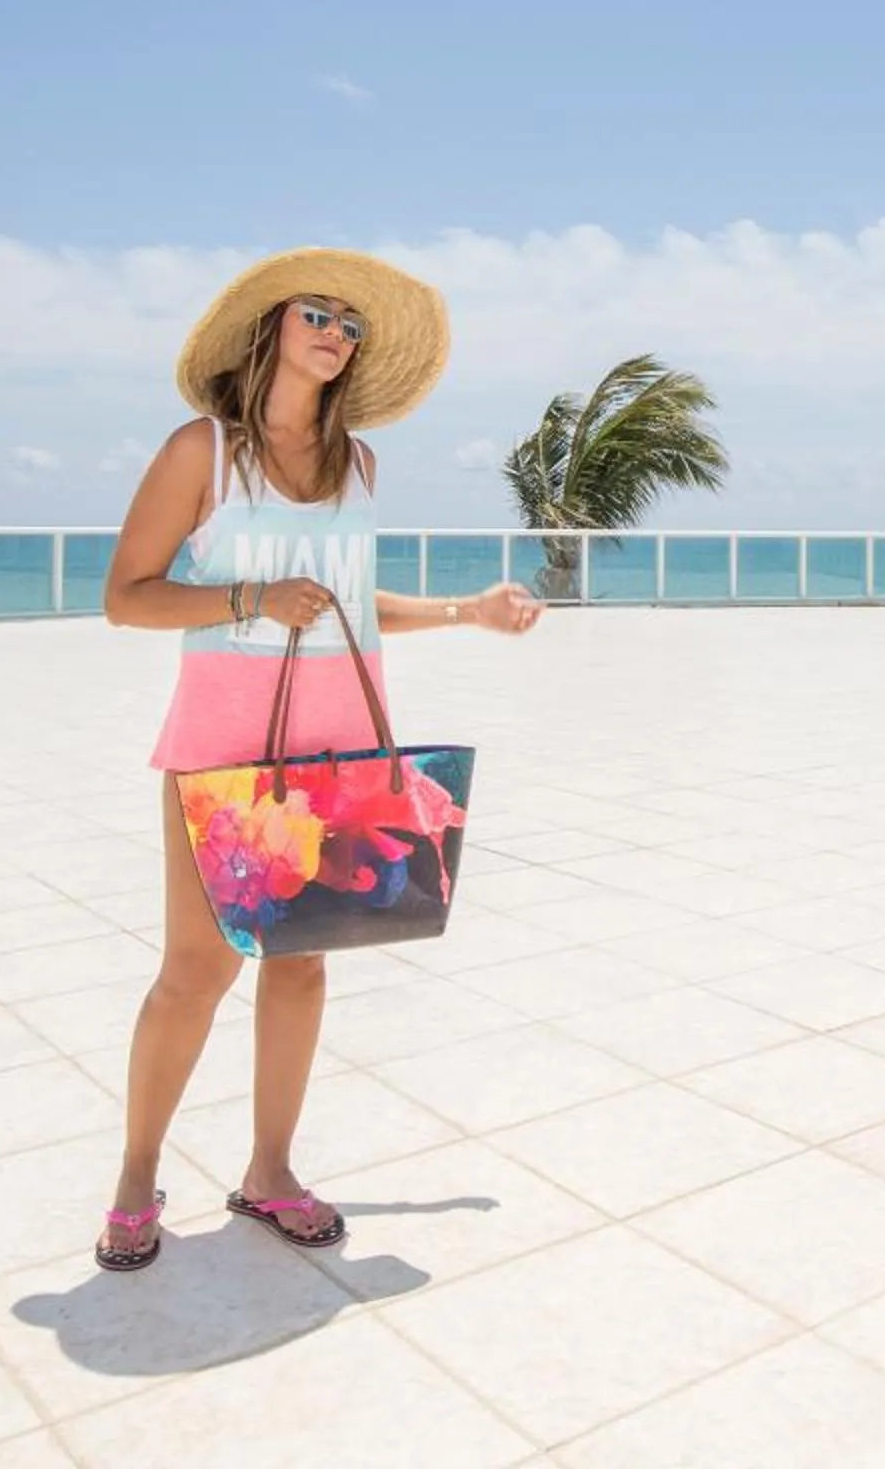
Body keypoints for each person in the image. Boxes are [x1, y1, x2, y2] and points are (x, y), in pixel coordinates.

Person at [94, 247, 541, 1270]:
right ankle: (134, 1174)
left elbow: (346, 604)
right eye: (319, 314)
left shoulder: (358, 466)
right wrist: (251, 598)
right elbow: (127, 596)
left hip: (334, 745)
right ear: (271, 326)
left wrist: (466, 611)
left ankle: (271, 1171)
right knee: (196, 970)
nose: (337, 334)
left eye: (351, 325)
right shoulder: (203, 451)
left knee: (300, 966)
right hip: (224, 749)